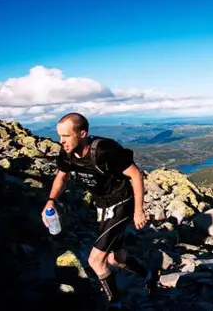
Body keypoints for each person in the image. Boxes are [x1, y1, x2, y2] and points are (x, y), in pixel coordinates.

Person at [41, 112, 154, 311]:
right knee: (115, 259)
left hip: (122, 202)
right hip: (102, 205)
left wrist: (138, 211)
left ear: (82, 133)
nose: (61, 142)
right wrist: (51, 201)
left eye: (66, 136)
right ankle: (149, 276)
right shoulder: (66, 153)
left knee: (95, 260)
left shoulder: (104, 150)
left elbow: (136, 175)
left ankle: (115, 304)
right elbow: (61, 177)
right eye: (59, 136)